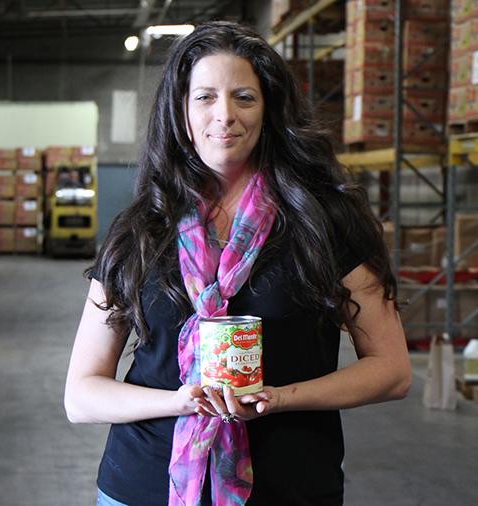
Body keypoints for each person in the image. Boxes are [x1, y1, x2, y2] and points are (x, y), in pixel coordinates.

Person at [64, 21, 411, 506]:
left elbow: (391, 370)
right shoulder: (141, 229)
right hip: (144, 487)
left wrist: (279, 398)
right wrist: (180, 402)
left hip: (289, 486)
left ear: (269, 109)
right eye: (204, 97)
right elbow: (81, 395)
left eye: (244, 97)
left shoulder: (325, 222)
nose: (224, 115)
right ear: (181, 112)